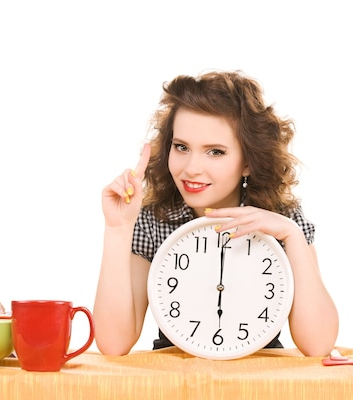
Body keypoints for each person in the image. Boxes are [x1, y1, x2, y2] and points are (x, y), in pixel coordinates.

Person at [93, 70, 339, 357]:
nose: (191, 168)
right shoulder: (155, 220)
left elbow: (318, 345)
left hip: (260, 379)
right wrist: (118, 229)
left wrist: (292, 235)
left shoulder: (281, 218)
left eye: (215, 152)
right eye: (181, 147)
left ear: (248, 161)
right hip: (177, 381)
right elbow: (113, 343)